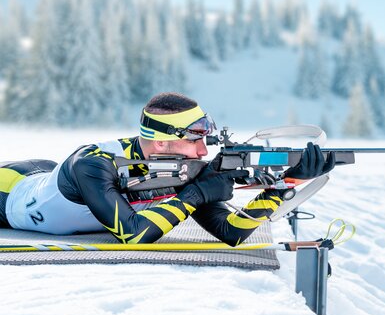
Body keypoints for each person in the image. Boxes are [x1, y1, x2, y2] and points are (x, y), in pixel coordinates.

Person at [0, 92, 335, 245]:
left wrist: (282, 185)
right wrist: (195, 194)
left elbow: (232, 232)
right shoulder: (93, 164)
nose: (204, 151)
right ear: (161, 142)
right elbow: (133, 234)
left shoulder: (183, 169)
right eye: (195, 140)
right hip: (9, 189)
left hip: (42, 176)